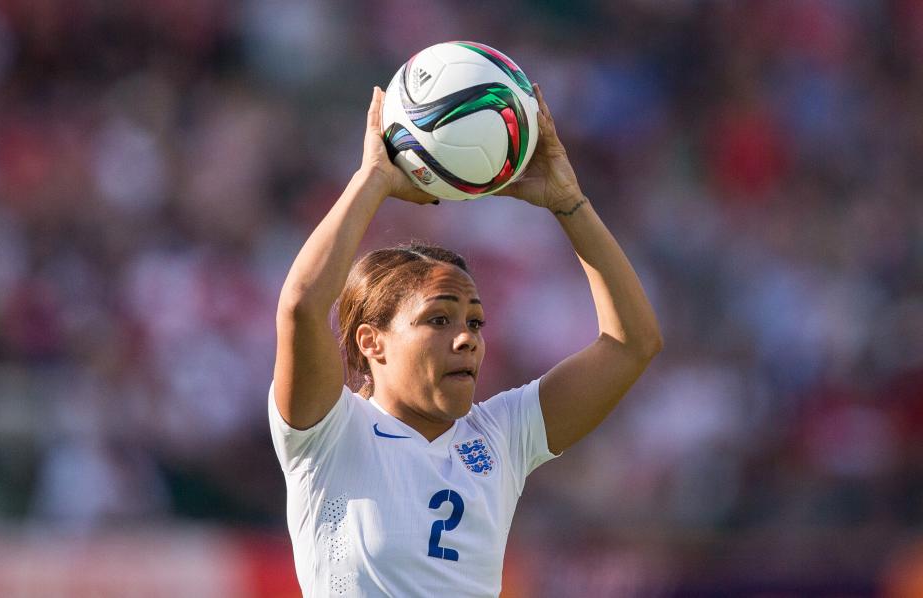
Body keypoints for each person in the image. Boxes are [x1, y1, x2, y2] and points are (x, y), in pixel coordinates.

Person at [269, 83, 662, 597]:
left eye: (475, 322)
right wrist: (373, 181)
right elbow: (301, 307)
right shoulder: (328, 434)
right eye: (438, 320)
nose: (466, 339)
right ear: (372, 341)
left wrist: (569, 203)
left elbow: (632, 343)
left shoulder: (500, 436)